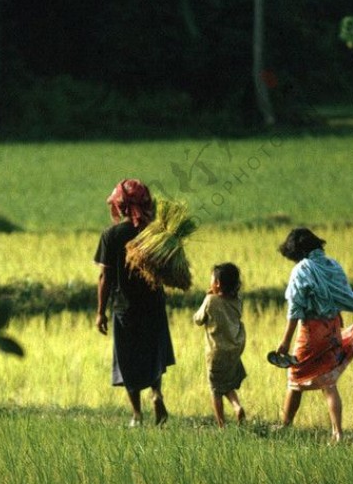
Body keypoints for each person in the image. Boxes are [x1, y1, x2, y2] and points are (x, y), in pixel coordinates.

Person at [273, 227, 353, 442]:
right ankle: (337, 433)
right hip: (332, 328)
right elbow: (344, 294)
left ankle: (285, 425)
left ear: (297, 252)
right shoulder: (332, 265)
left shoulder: (302, 269)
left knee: (294, 378)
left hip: (312, 330)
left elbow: (295, 309)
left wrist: (285, 342)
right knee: (328, 383)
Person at [94, 179, 176, 426]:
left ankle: (137, 414)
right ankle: (156, 393)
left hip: (124, 307)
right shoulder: (157, 233)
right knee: (153, 353)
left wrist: (100, 312)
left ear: (120, 206)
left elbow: (104, 276)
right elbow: (170, 269)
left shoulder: (111, 235)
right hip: (153, 304)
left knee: (127, 359)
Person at [193, 262, 247, 427]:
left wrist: (207, 298)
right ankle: (237, 407)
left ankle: (221, 425)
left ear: (217, 283)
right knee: (228, 383)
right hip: (234, 350)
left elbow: (198, 319)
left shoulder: (210, 300)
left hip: (216, 354)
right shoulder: (237, 301)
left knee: (216, 389)